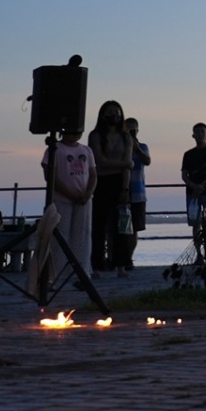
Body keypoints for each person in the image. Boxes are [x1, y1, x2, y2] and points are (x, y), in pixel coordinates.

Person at [42, 126, 95, 281]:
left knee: (82, 236)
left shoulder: (86, 150)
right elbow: (50, 175)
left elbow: (92, 175)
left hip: (83, 201)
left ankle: (82, 271)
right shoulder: (56, 149)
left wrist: (88, 193)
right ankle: (59, 273)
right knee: (61, 236)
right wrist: (69, 194)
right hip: (62, 199)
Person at [87, 100, 133, 276]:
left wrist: (125, 188)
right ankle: (96, 266)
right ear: (103, 114)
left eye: (117, 112)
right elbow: (99, 161)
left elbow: (127, 167)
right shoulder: (95, 135)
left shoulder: (126, 136)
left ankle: (121, 265)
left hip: (120, 182)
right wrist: (124, 163)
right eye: (110, 111)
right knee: (99, 227)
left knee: (121, 227)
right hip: (100, 182)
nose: (114, 115)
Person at [181, 123, 206, 235]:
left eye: (202, 132)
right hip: (192, 193)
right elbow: (184, 175)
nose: (200, 134)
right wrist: (194, 186)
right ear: (193, 135)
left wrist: (202, 185)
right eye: (197, 132)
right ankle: (198, 250)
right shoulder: (188, 154)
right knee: (195, 223)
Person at [124, 117, 150, 273]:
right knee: (119, 228)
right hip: (123, 191)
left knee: (135, 228)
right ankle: (119, 257)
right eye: (129, 129)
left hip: (138, 193)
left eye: (134, 129)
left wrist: (136, 148)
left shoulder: (143, 146)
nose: (132, 131)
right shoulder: (120, 147)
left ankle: (129, 258)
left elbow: (147, 161)